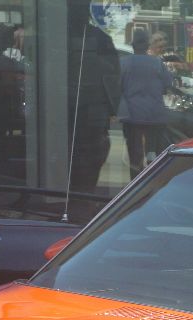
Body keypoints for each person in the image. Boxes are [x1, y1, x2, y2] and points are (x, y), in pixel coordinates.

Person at [64, 4, 118, 193]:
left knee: (93, 151)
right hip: (64, 108)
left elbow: (113, 77)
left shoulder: (101, 39)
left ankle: (85, 194)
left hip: (91, 108)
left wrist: (111, 108)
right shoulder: (54, 36)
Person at [119, 28, 171, 173]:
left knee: (134, 155)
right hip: (154, 114)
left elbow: (118, 86)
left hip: (132, 115)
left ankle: (135, 180)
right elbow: (168, 84)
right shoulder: (157, 63)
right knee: (153, 151)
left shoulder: (124, 63)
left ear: (133, 45)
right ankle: (151, 168)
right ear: (147, 45)